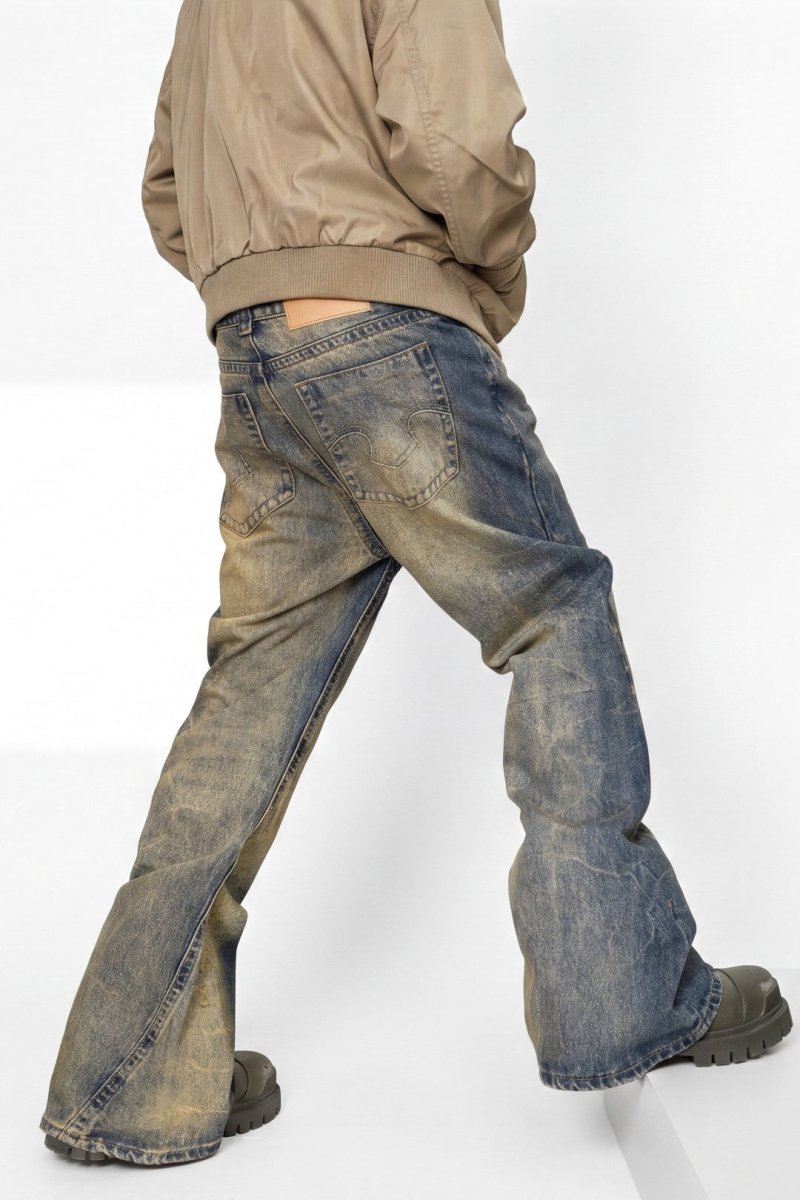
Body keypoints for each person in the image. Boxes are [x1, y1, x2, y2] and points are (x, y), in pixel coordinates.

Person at [41, 0, 792, 1168]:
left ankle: (125, 1078)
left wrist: (265, 282)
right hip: (386, 331)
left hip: (257, 355)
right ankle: (622, 998)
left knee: (250, 696)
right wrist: (468, 284)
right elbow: (457, 140)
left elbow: (167, 187)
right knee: (552, 613)